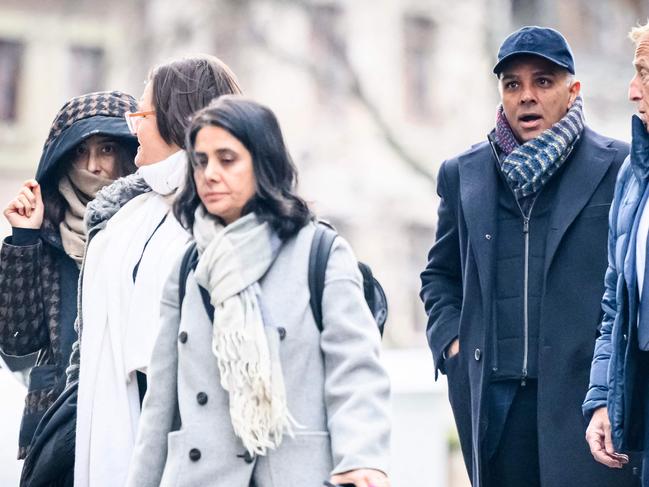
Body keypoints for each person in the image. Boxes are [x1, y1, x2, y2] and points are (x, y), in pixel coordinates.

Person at [125, 96, 391, 487]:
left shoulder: (319, 252)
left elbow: (355, 371)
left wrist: (362, 458)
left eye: (227, 159)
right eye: (200, 161)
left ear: (263, 163)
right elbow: (160, 407)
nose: (210, 174)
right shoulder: (188, 268)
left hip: (294, 473)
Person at [420, 26, 638, 486]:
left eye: (543, 81)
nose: (526, 96)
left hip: (583, 404)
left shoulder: (619, 166)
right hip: (494, 405)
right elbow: (439, 277)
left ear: (572, 90)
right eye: (513, 84)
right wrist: (452, 348)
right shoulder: (464, 173)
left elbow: (628, 286)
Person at [68, 56, 243, 487]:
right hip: (114, 432)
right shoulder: (126, 214)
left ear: (174, 118)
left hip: (196, 447)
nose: (134, 128)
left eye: (141, 114)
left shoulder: (232, 211)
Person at [0, 91, 139, 461]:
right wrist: (24, 239)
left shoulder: (150, 226)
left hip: (131, 422)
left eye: (106, 149)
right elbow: (16, 342)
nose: (92, 165)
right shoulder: (47, 229)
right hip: (57, 430)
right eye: (80, 151)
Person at [584, 20, 649, 486]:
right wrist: (604, 399)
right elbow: (616, 304)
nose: (632, 90)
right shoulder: (633, 175)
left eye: (644, 73)